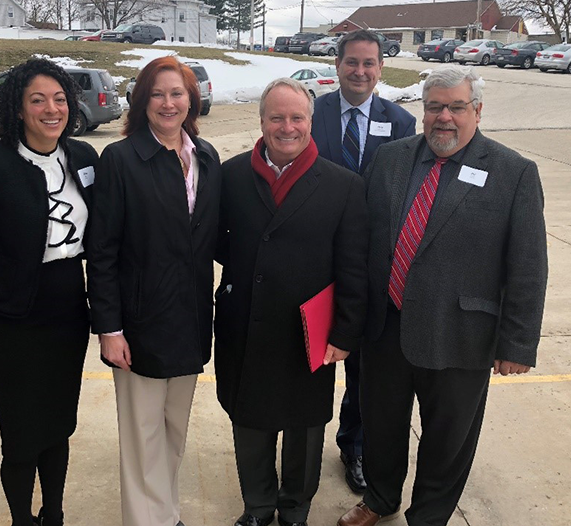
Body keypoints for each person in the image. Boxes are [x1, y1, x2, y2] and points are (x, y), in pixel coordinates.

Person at [338, 65, 548, 526]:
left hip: (461, 333)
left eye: (456, 107)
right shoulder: (390, 159)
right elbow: (364, 241)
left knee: (448, 438)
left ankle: (429, 516)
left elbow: (528, 266)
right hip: (385, 326)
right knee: (381, 426)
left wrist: (516, 344)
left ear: (477, 110)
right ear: (424, 110)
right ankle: (379, 497)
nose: (444, 118)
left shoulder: (513, 173)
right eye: (435, 107)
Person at [0, 58, 99, 526]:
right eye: (38, 100)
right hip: (7, 320)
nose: (51, 109)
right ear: (17, 108)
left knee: (57, 426)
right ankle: (21, 519)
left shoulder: (85, 158)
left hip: (67, 311)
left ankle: (52, 513)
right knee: (20, 433)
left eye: (59, 99)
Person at [214, 78, 368, 526]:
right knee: (250, 422)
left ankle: (295, 507)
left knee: (304, 428)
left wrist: (345, 332)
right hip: (248, 321)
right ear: (261, 121)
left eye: (297, 117)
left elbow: (353, 267)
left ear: (311, 122)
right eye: (276, 117)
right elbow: (219, 242)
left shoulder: (343, 186)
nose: (287, 127)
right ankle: (258, 507)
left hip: (309, 329)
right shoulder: (231, 175)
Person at [86, 56, 221, 526]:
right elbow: (101, 252)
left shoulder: (205, 156)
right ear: (142, 102)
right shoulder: (121, 160)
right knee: (142, 435)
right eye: (158, 94)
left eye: (177, 93)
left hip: (189, 318)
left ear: (191, 100)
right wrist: (109, 327)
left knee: (173, 430)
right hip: (139, 323)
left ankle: (166, 514)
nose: (168, 103)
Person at [311, 28, 417, 495]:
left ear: (380, 68)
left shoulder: (401, 122)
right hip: (314, 261)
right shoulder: (309, 114)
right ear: (337, 66)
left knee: (362, 367)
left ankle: (353, 446)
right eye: (351, 62)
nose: (360, 72)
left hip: (371, 265)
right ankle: (301, 441)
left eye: (369, 64)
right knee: (309, 358)